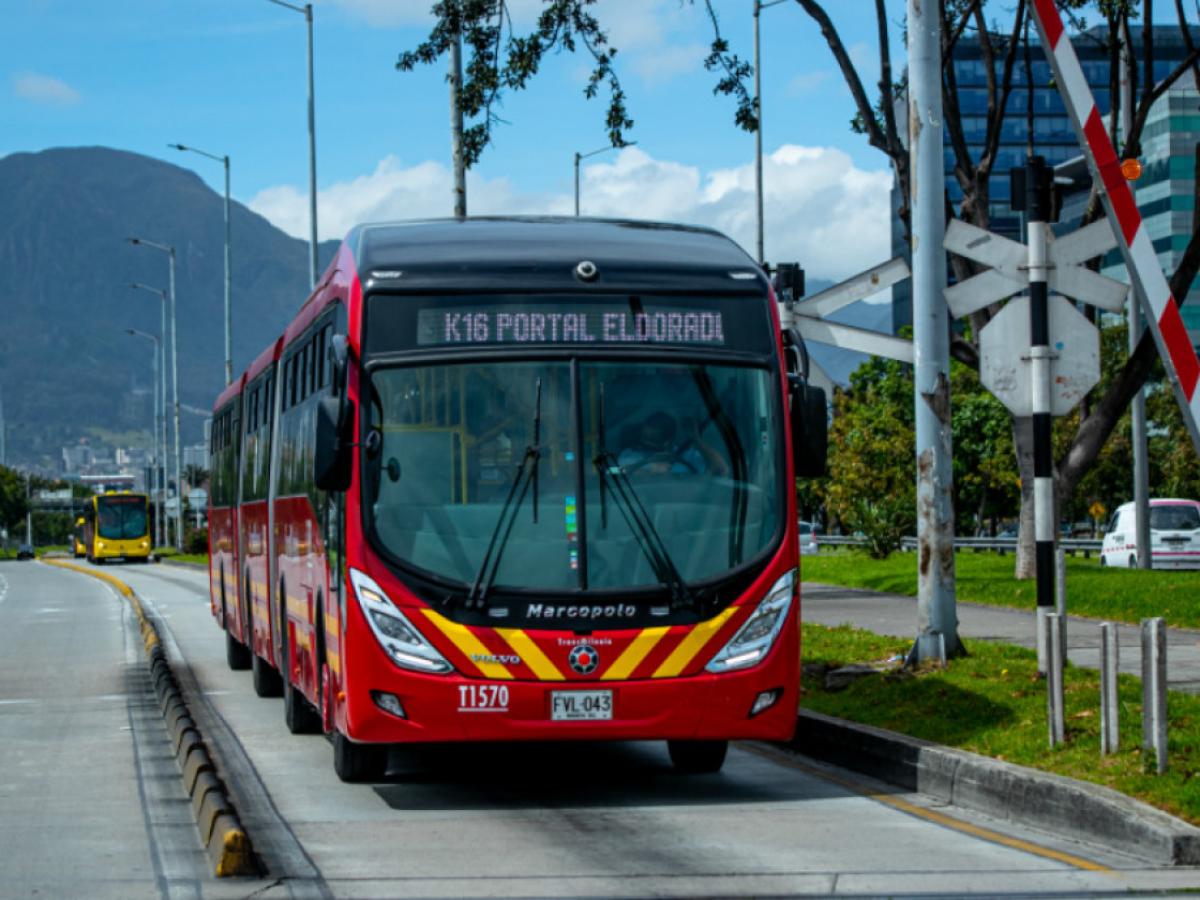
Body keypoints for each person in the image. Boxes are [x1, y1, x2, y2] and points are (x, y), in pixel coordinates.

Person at [617, 411, 728, 476]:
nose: (646, 442)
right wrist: (651, 468)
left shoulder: (689, 456)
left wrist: (696, 439)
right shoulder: (631, 455)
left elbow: (721, 469)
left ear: (669, 440)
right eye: (644, 436)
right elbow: (620, 472)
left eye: (654, 438)